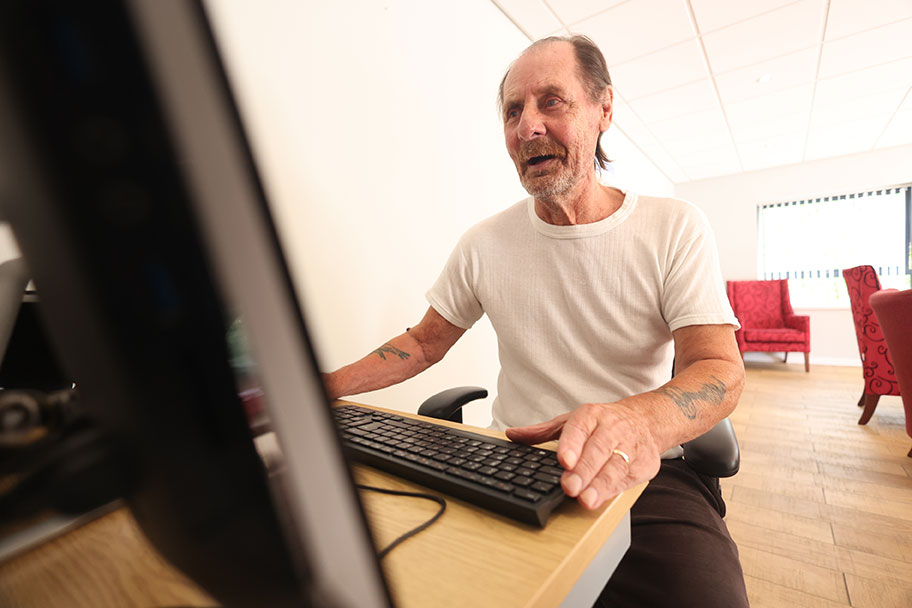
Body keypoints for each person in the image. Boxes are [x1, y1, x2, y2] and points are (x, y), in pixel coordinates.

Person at [323, 35, 748, 607]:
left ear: (604, 109)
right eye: (513, 111)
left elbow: (719, 370)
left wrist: (636, 422)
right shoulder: (484, 244)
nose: (528, 126)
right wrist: (314, 390)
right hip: (510, 463)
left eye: (552, 101)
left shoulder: (675, 227)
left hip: (642, 474)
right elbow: (423, 344)